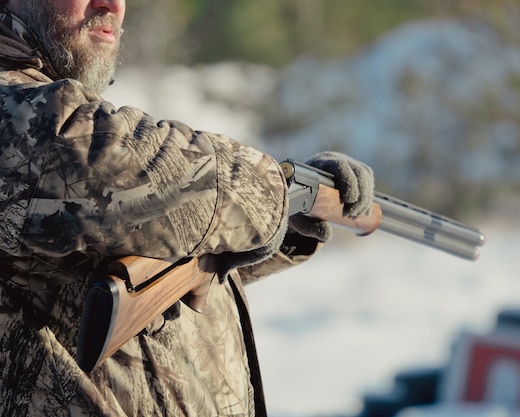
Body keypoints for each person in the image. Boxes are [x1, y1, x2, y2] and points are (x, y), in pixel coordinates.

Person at [0, 0, 375, 416]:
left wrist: (290, 220)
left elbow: (140, 260)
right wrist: (276, 187)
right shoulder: (17, 109)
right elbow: (94, 156)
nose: (113, 5)